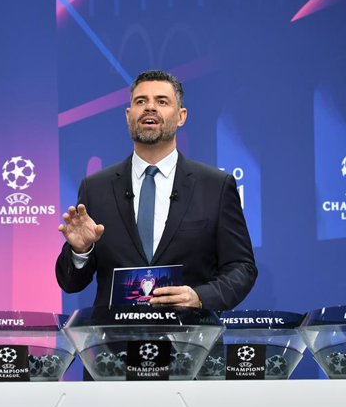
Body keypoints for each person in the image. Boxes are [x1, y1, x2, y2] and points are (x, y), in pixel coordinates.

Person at [55, 70, 257, 310]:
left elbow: (242, 267)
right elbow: (71, 283)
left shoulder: (216, 186)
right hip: (117, 341)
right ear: (129, 115)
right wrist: (81, 250)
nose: (150, 108)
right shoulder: (96, 187)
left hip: (190, 339)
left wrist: (200, 297)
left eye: (162, 101)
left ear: (181, 116)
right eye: (141, 101)